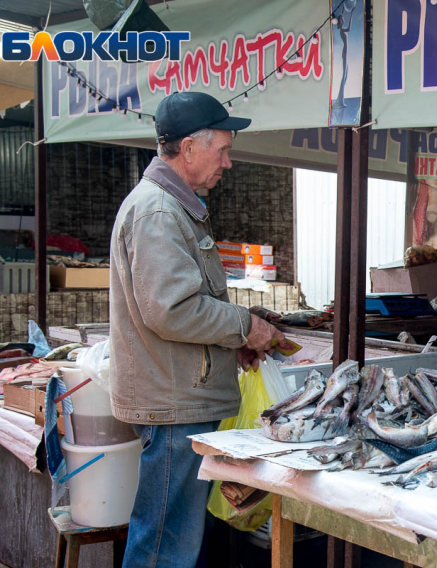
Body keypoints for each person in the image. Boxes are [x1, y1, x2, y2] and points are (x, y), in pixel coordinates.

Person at [109, 92, 287, 568]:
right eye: (222, 150)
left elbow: (182, 307)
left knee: (175, 535)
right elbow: (173, 310)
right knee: (165, 543)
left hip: (179, 396)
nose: (228, 163)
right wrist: (246, 327)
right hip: (173, 405)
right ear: (188, 148)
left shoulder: (172, 207)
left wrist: (233, 345)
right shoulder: (159, 212)